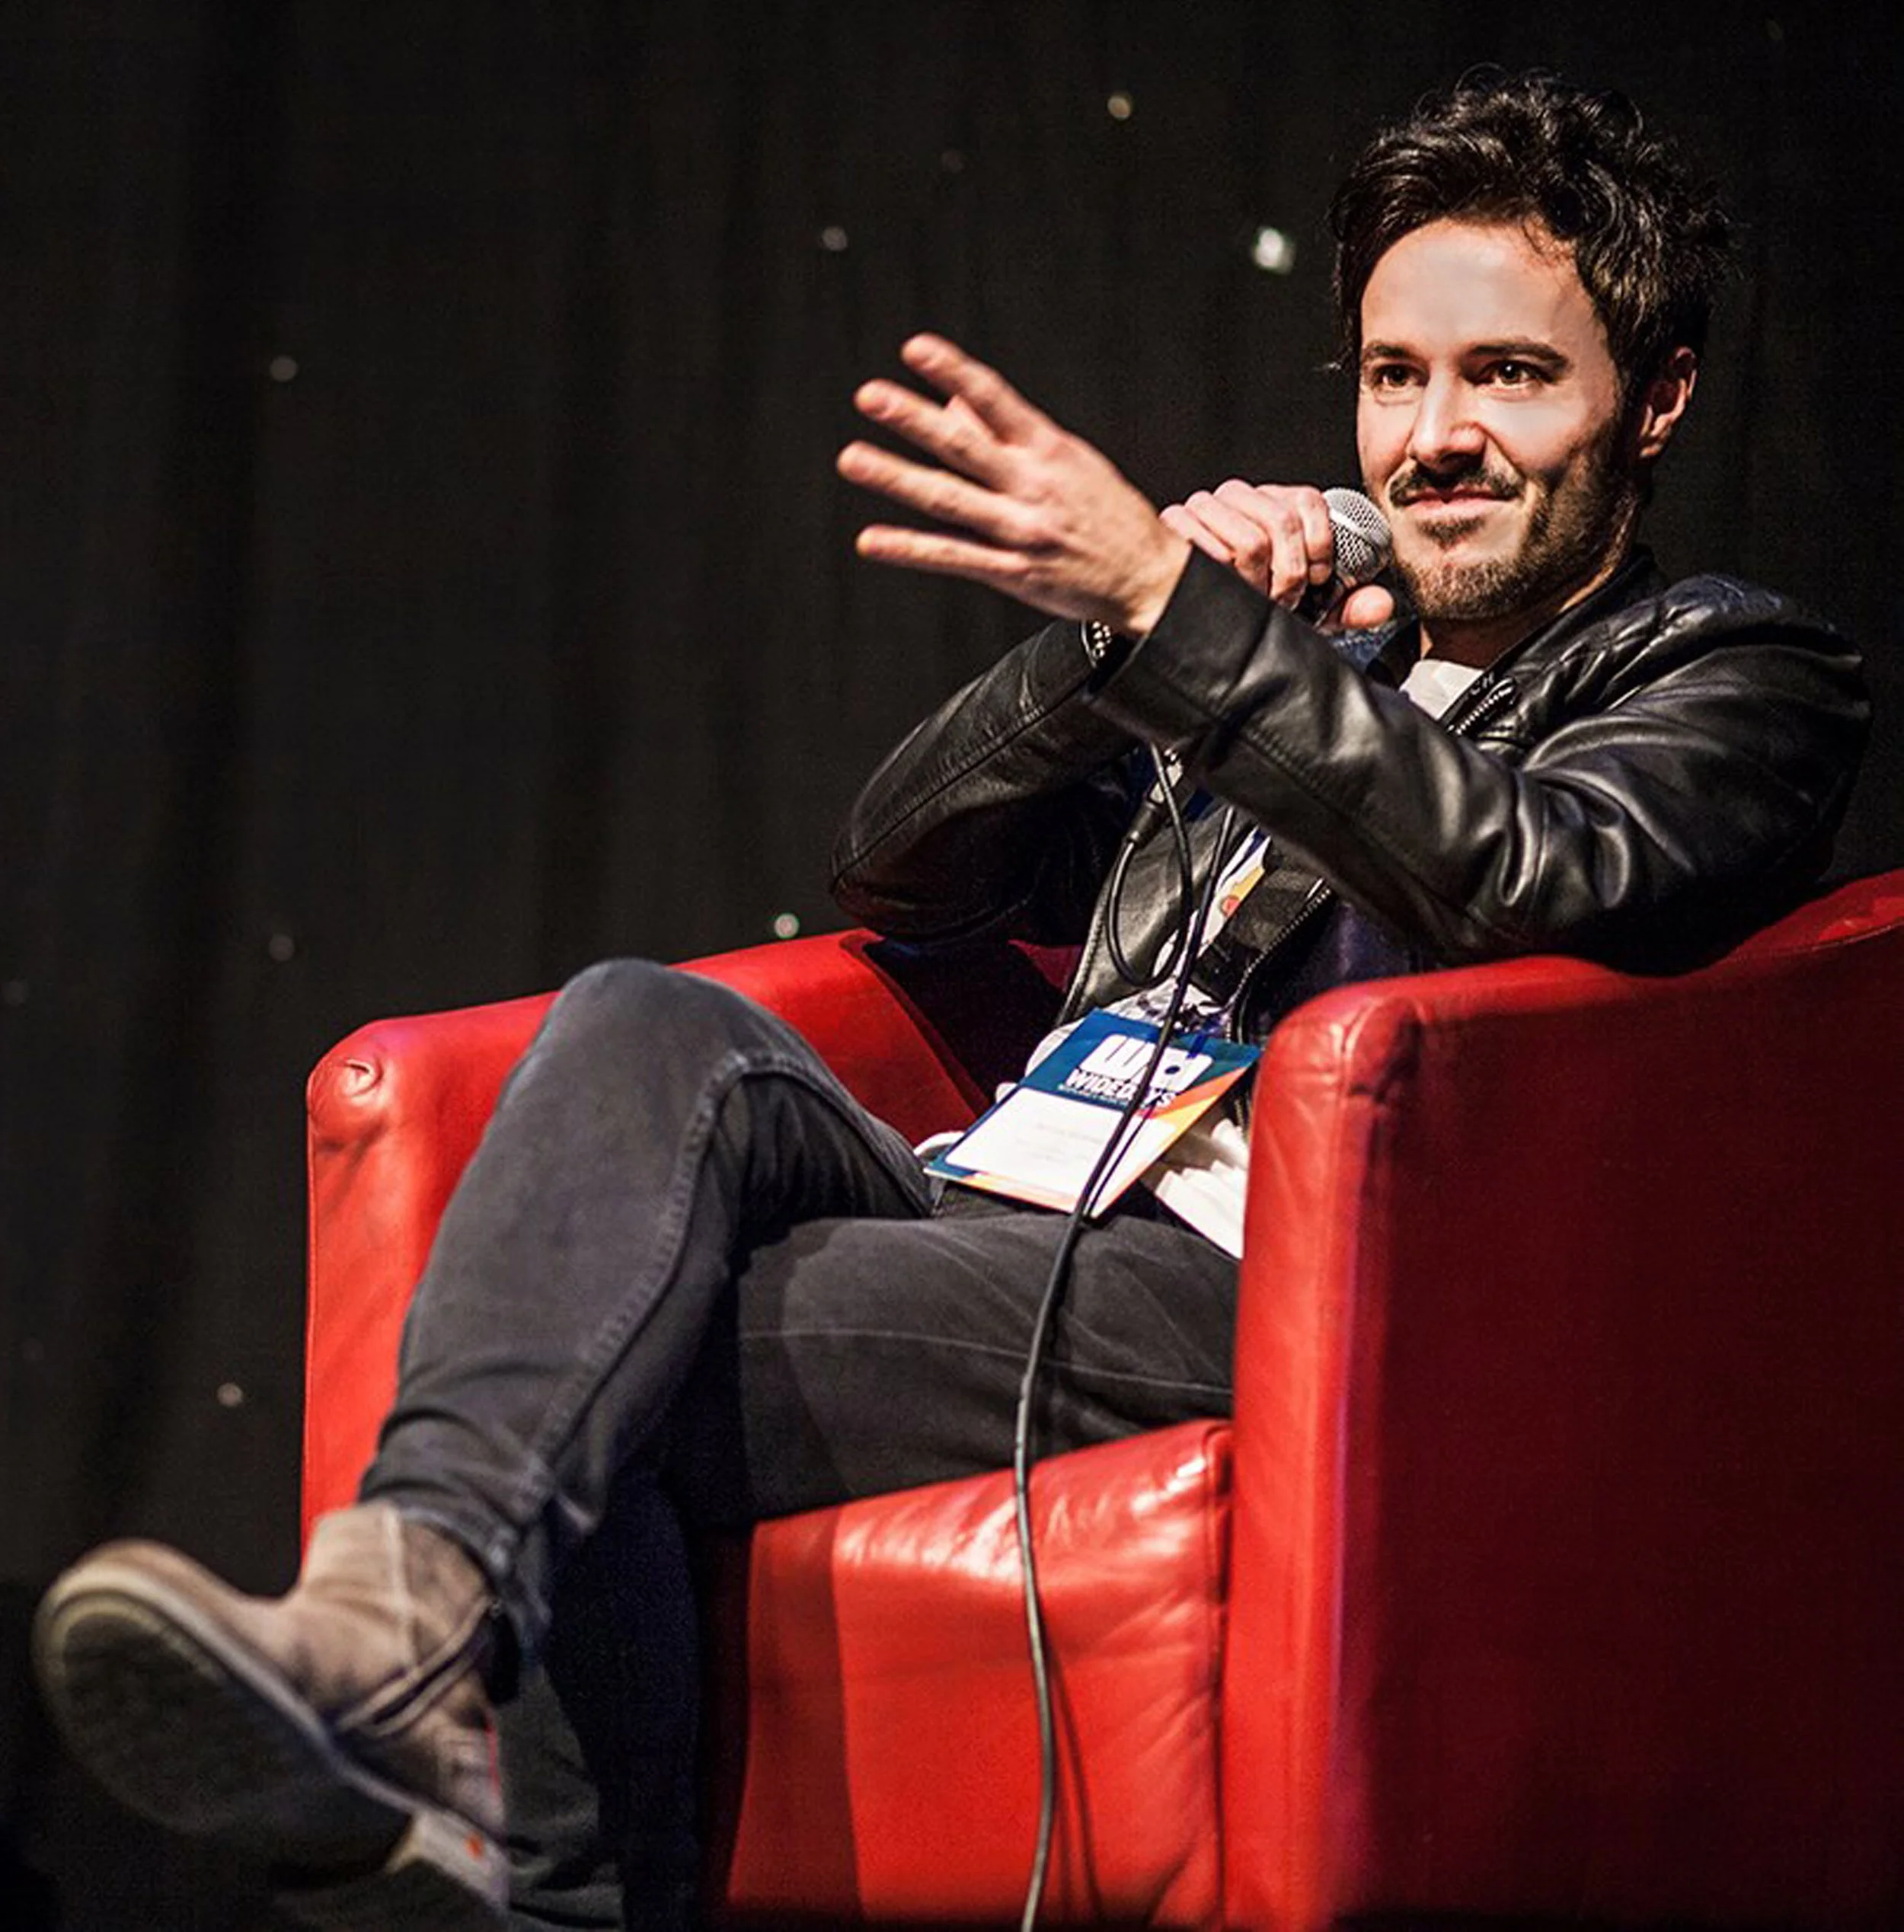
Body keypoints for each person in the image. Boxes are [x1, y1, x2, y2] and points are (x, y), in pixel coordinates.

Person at [33, 69, 1867, 1931]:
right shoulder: (1302, 639)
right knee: (637, 1019)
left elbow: (1530, 881)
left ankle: (507, 1832)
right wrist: (1118, 647)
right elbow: (901, 869)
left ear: (1656, 399)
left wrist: (1183, 620)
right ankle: (405, 1625)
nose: (1432, 435)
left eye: (1505, 375)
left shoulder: (1738, 674)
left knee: (586, 1341)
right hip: (1004, 1201)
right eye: (1395, 374)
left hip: (1292, 1284)